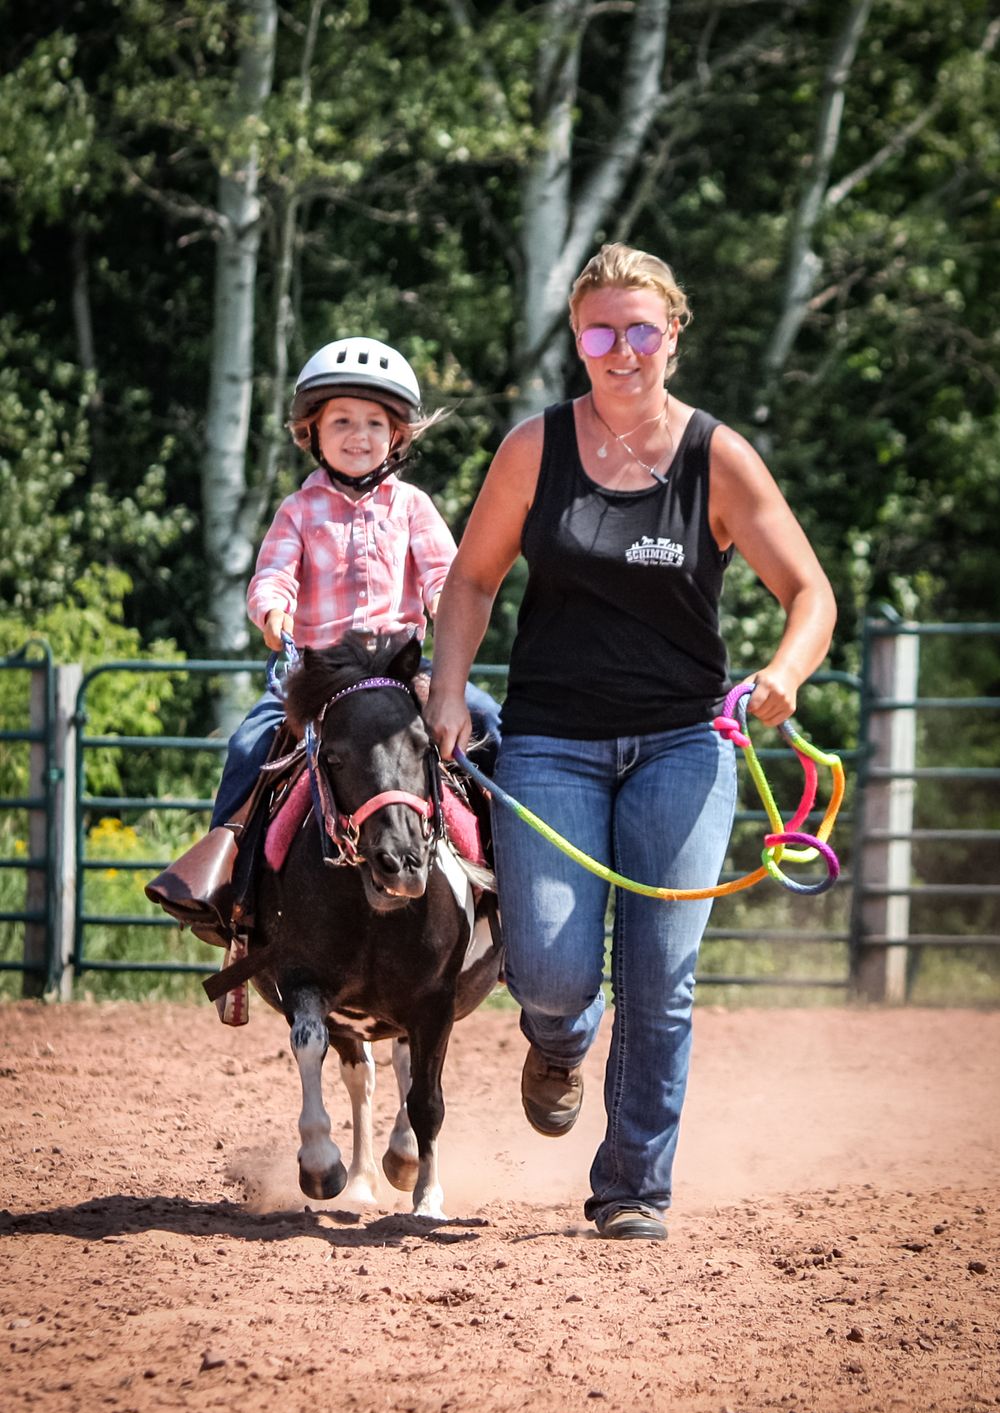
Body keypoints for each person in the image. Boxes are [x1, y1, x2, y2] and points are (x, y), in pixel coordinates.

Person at [425, 242, 837, 1242]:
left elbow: (810, 594)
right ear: (578, 340)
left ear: (673, 336)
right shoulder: (535, 449)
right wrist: (445, 691)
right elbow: (473, 580)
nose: (621, 351)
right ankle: (557, 1041)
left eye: (639, 331)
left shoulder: (716, 458)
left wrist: (782, 674)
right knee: (555, 974)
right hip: (550, 744)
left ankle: (632, 1188)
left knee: (661, 980)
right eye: (601, 332)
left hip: (684, 746)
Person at [211, 335, 500, 830]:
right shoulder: (298, 511)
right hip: (318, 671)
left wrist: (442, 606)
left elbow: (444, 579)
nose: (358, 435)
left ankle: (506, 862)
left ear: (396, 436)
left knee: (491, 725)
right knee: (247, 745)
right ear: (312, 431)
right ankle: (221, 873)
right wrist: (274, 611)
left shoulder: (412, 506)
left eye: (374, 423)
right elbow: (274, 574)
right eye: (341, 421)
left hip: (400, 668)